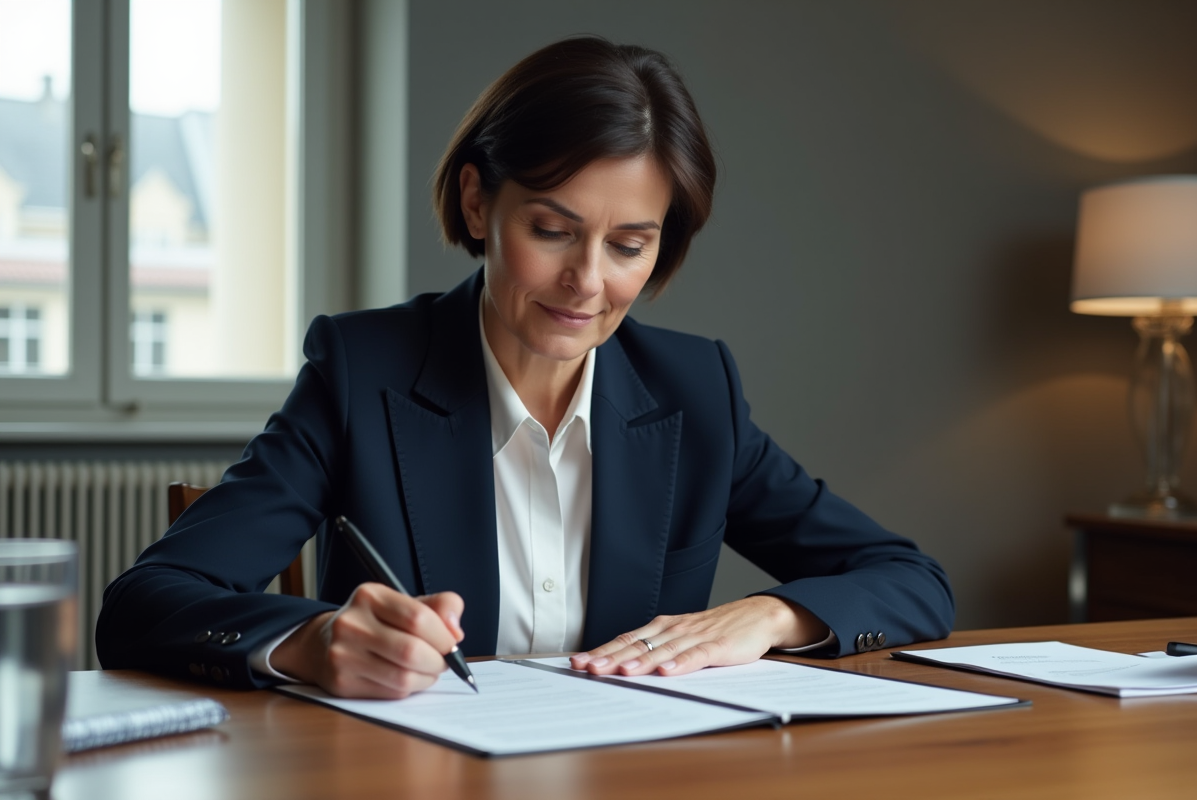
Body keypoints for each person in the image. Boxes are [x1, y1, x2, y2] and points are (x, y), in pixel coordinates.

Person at [96, 36, 953, 698]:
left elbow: (912, 581)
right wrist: (313, 641)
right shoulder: (363, 372)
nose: (588, 282)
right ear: (478, 201)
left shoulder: (695, 395)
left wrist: (768, 614)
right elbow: (145, 603)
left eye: (629, 245)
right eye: (552, 230)